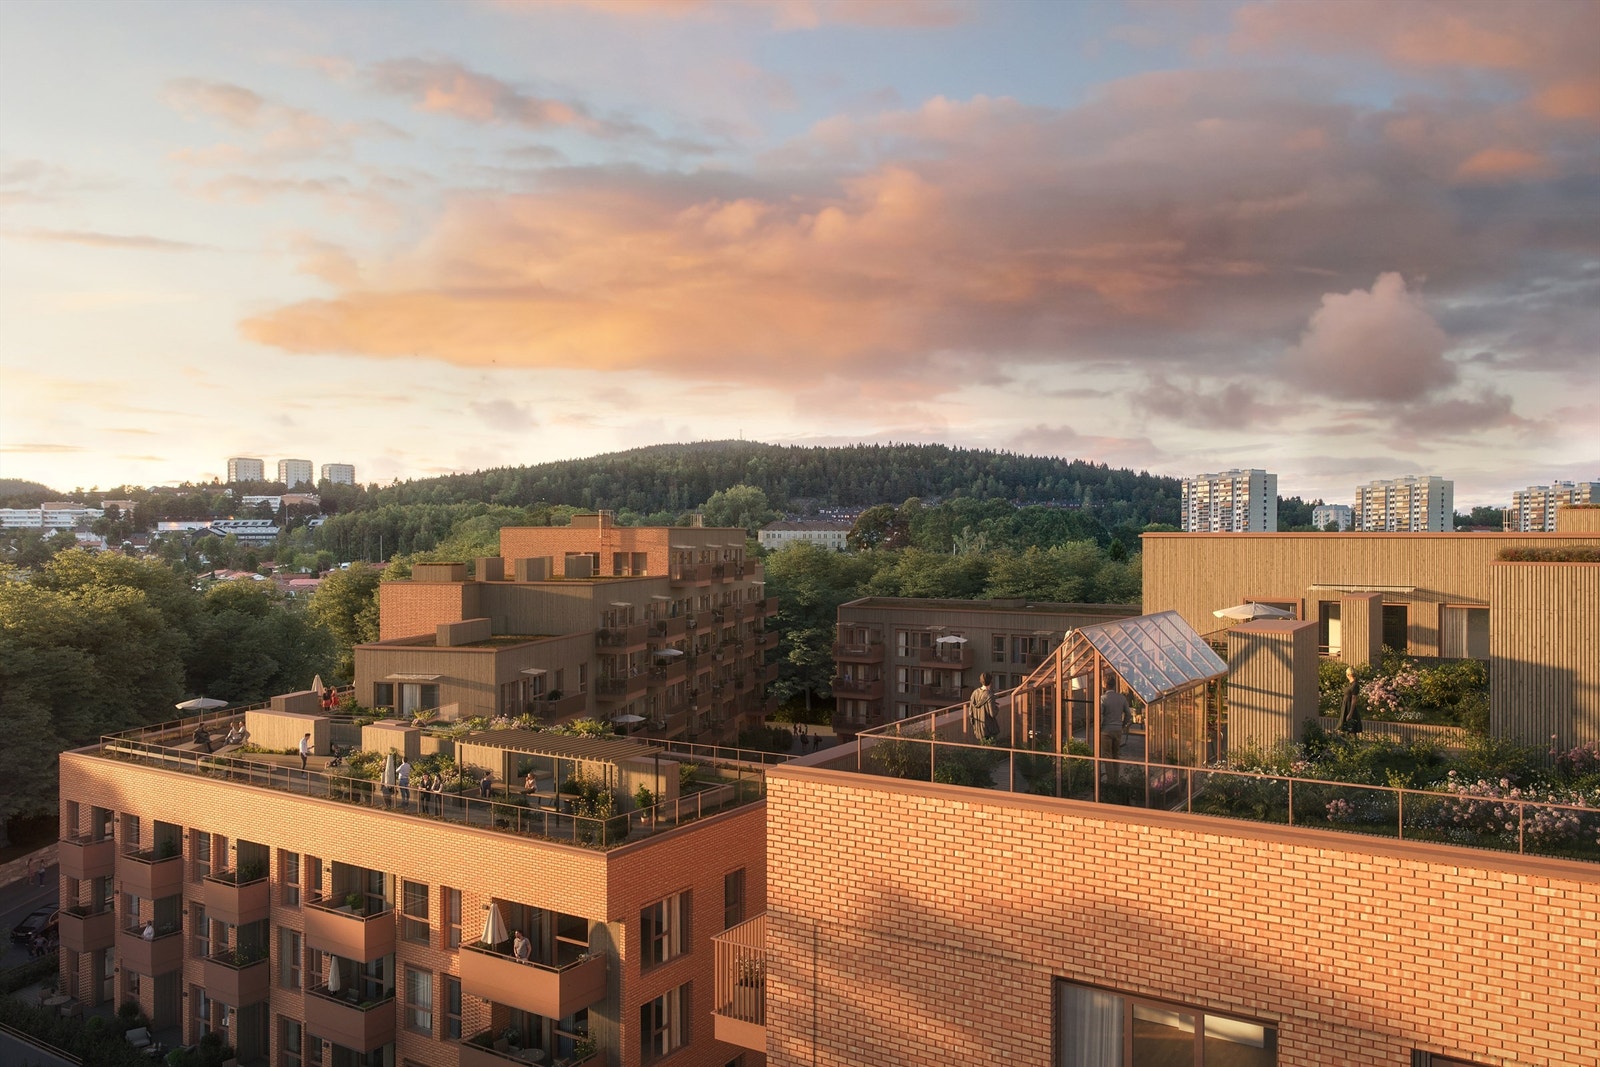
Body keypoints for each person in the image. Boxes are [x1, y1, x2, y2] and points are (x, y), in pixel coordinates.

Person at [1100, 681, 1129, 773]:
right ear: (1114, 685)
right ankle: (1116, 779)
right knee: (1116, 754)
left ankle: (1110, 780)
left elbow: (1099, 715)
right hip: (1117, 729)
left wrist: (1099, 727)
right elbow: (1128, 714)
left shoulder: (1103, 698)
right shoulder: (1121, 698)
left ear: (1105, 685)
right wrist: (1122, 725)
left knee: (1107, 755)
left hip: (1106, 730)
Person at [966, 673, 998, 743]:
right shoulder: (990, 695)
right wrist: (997, 708)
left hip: (978, 728)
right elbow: (992, 714)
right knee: (991, 748)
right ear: (991, 682)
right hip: (989, 729)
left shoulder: (975, 693)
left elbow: (970, 711)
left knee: (982, 748)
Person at [1339, 667, 1363, 735]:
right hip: (1346, 707)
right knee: (1346, 729)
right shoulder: (1350, 684)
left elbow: (1354, 699)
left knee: (1351, 728)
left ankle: (1353, 742)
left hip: (1350, 708)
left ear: (1349, 675)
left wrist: (1350, 713)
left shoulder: (1355, 685)